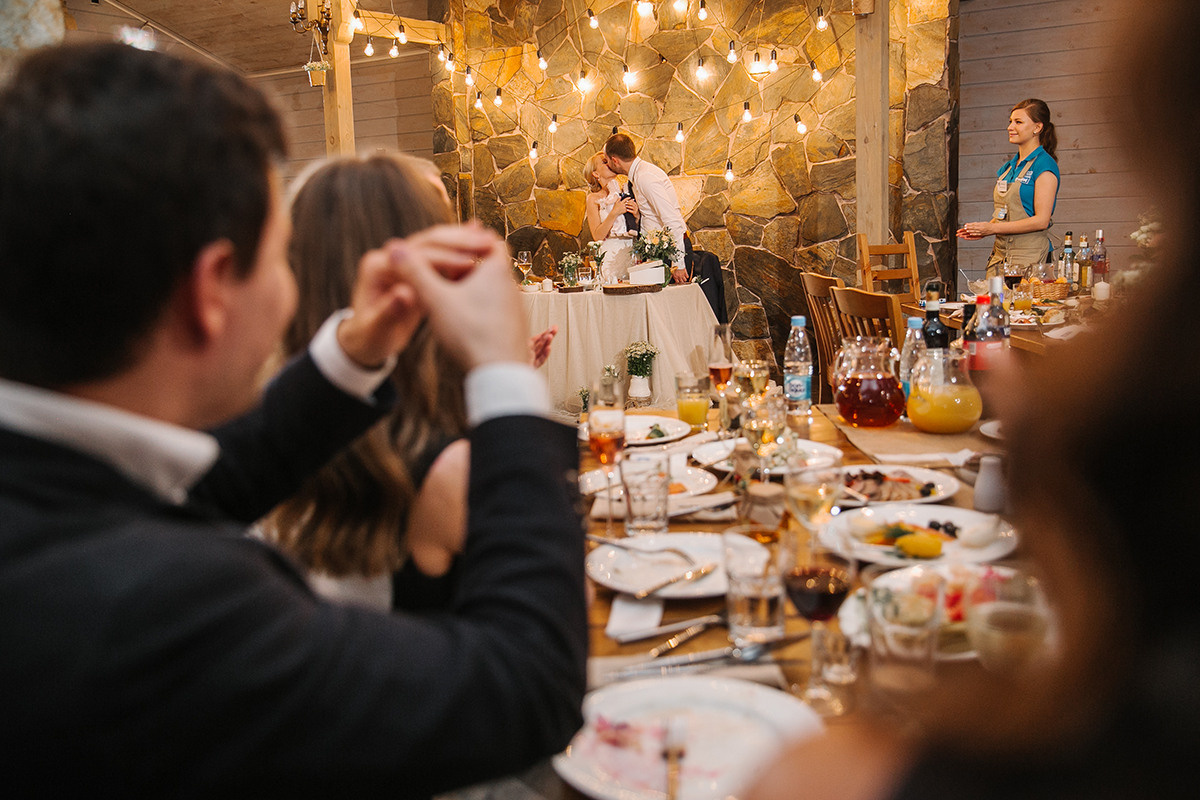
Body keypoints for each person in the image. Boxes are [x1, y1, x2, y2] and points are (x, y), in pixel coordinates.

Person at [0, 41, 586, 797]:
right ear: (213, 290)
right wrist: (503, 379)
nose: (291, 290)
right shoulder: (162, 608)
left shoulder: (50, 491)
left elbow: (207, 485)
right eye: (281, 259)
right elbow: (525, 687)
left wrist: (354, 353)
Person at [748, 4, 1198, 797]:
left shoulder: (1048, 179)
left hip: (1019, 266)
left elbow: (1043, 222)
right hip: (994, 276)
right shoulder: (1014, 164)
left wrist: (991, 222)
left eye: (1024, 118)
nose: (1016, 124)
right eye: (1015, 119)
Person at [957, 98, 1061, 276]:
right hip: (1001, 257)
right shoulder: (1009, 167)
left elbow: (1041, 220)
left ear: (1038, 127)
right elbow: (1005, 214)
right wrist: (982, 229)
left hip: (1031, 260)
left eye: (1018, 122)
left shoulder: (1044, 165)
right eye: (1010, 121)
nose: (1010, 127)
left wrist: (992, 229)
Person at [604, 132, 689, 283]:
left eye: (607, 161)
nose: (607, 165)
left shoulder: (645, 177)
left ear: (615, 160)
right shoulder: (638, 176)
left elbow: (672, 220)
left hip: (670, 252)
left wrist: (678, 264)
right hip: (658, 251)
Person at [583, 151, 640, 283]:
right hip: (610, 254)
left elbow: (639, 227)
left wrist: (636, 215)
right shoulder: (593, 199)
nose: (609, 163)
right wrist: (615, 212)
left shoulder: (627, 191)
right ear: (596, 174)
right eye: (604, 162)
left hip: (632, 249)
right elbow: (597, 236)